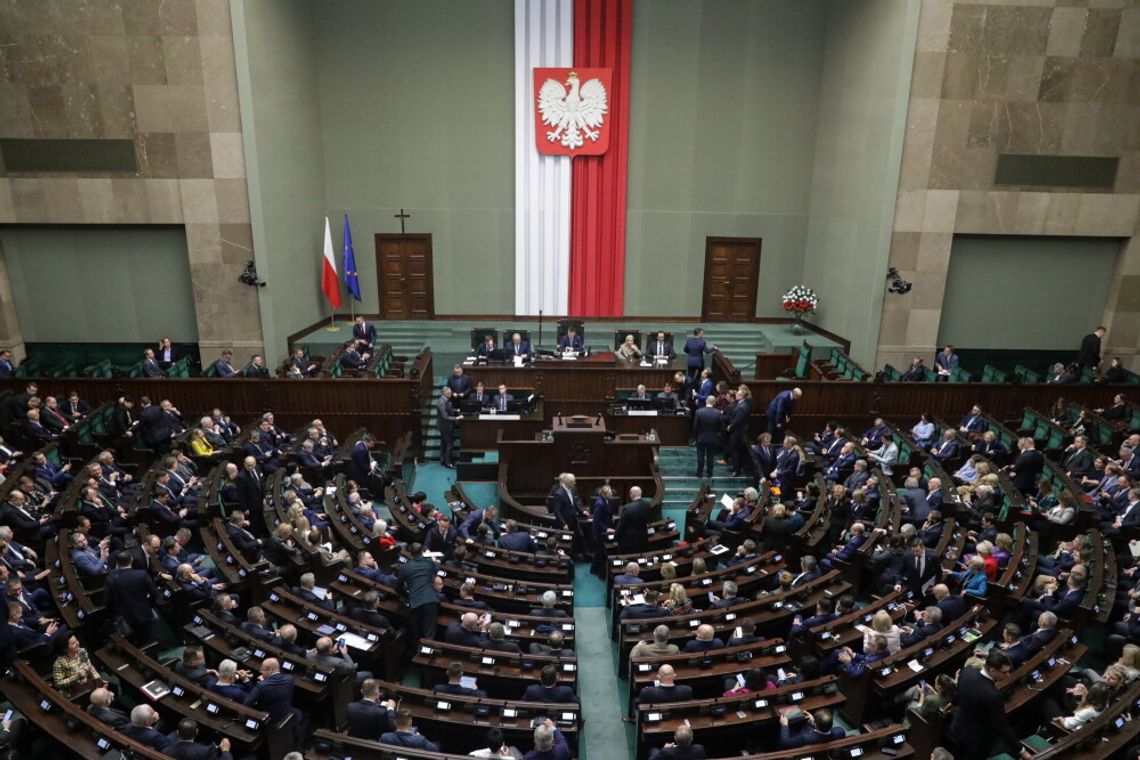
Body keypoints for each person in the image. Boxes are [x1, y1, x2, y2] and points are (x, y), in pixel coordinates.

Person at [948, 650, 1017, 759]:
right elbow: (1002, 726)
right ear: (993, 670)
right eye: (1005, 672)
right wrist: (1020, 749)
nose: (1008, 675)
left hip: (958, 729)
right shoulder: (993, 695)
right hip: (976, 742)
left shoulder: (967, 672)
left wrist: (952, 703)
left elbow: (958, 693)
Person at [399, 543, 440, 643]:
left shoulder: (404, 567)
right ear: (422, 552)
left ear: (410, 553)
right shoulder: (429, 563)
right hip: (430, 600)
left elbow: (397, 587)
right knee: (429, 634)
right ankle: (426, 654)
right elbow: (436, 571)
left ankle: (415, 653)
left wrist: (406, 596)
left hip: (415, 602)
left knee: (416, 633)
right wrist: (434, 561)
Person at [165, 718, 233, 760]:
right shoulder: (204, 751)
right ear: (197, 732)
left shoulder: (167, 749)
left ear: (177, 732)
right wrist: (225, 750)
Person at [778, 708, 845, 749]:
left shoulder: (805, 738)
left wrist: (784, 725)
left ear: (815, 724)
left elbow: (785, 743)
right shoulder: (840, 732)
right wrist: (813, 721)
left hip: (799, 740)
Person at [692, 397, 724, 479]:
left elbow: (695, 426)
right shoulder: (718, 413)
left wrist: (695, 437)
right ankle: (709, 473)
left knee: (700, 456)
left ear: (706, 401)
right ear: (714, 402)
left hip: (701, 437)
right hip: (713, 438)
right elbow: (721, 427)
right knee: (711, 456)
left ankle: (699, 473)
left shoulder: (699, 411)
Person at [614, 486, 651, 554]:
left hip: (629, 542)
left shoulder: (627, 507)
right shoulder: (647, 505)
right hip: (643, 539)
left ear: (632, 494)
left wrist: (615, 537)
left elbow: (621, 526)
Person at [436, 386, 462, 468]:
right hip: (445, 427)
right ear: (444, 393)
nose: (451, 394)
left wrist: (456, 410)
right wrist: (457, 418)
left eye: (451, 392)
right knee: (449, 444)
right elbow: (445, 416)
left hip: (446, 426)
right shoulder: (442, 403)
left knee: (444, 443)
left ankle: (443, 460)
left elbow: (449, 410)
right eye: (449, 393)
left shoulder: (445, 400)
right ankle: (448, 462)